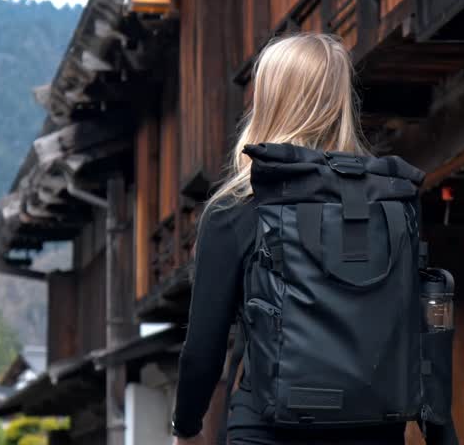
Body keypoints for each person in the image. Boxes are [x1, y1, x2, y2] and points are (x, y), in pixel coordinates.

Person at [171, 32, 407, 445]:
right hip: (374, 427)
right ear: (340, 101)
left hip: (269, 428)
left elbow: (204, 347)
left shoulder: (238, 208)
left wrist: (185, 426)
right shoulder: (388, 201)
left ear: (268, 98)